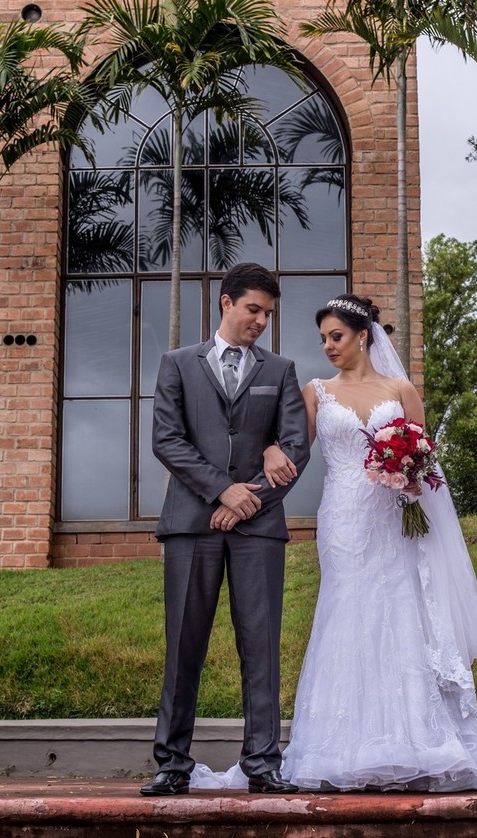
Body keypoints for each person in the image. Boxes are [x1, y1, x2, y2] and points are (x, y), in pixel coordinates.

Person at [193, 294, 477, 792]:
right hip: (342, 523)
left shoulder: (402, 390)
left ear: (363, 335)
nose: (328, 347)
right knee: (346, 614)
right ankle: (338, 746)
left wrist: (409, 476)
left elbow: (426, 462)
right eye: (323, 339)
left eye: (336, 336)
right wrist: (263, 462)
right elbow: (293, 451)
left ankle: (410, 741)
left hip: (394, 521)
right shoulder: (316, 391)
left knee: (400, 613)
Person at [143, 262, 311, 797]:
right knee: (183, 647)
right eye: (253, 309)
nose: (261, 320)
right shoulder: (177, 364)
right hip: (191, 526)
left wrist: (246, 502)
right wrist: (222, 490)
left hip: (258, 531)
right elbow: (167, 440)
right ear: (226, 303)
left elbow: (294, 448)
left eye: (268, 313)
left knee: (260, 646)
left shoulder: (280, 370)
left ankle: (263, 763)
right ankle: (172, 764)